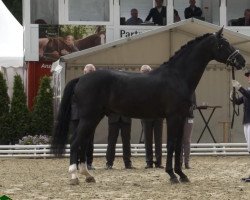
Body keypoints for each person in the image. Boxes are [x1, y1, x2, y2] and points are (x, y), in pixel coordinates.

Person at [71, 64, 96, 170]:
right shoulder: (77, 82)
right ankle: (75, 162)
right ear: (84, 72)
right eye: (87, 72)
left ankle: (88, 162)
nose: (89, 74)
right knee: (77, 139)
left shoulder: (96, 85)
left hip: (90, 116)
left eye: (91, 72)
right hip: (77, 116)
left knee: (89, 141)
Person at [140, 65, 164, 169]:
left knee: (153, 140)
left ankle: (153, 162)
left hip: (155, 115)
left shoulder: (156, 83)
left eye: (145, 71)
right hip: (149, 115)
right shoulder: (139, 84)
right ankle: (152, 162)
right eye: (143, 72)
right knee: (151, 140)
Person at [231, 70, 250, 182]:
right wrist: (233, 97)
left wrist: (239, 88)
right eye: (248, 76)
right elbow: (239, 101)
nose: (249, 78)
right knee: (249, 148)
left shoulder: (247, 91)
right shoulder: (247, 91)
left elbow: (248, 95)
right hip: (247, 122)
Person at [180, 93, 196, 169]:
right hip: (179, 117)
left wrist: (191, 107)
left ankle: (186, 162)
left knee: (187, 140)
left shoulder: (192, 91)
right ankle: (179, 162)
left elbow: (195, 104)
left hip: (189, 117)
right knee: (179, 140)